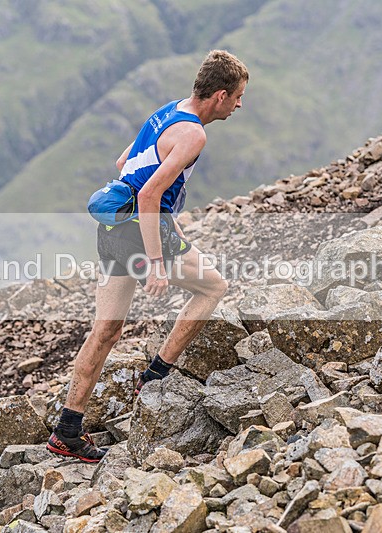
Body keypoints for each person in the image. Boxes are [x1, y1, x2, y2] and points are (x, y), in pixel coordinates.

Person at [47, 50, 248, 462]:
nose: (240, 105)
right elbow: (151, 193)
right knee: (214, 287)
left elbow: (125, 163)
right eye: (239, 96)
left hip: (113, 231)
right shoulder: (194, 134)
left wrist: (167, 222)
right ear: (221, 95)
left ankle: (67, 431)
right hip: (142, 233)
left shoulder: (168, 111)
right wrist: (156, 262)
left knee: (104, 331)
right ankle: (155, 376)